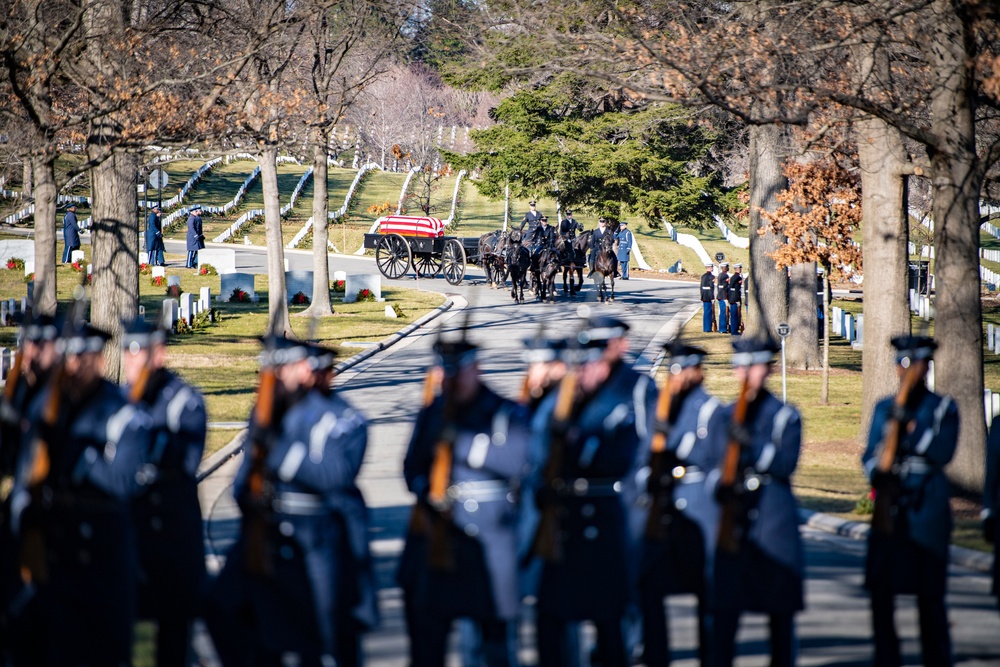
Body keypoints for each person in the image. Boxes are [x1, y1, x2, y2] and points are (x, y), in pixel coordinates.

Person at [205, 335, 375, 667]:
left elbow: (336, 474)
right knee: (222, 606)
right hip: (265, 531)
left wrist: (281, 451)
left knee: (320, 637)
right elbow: (244, 479)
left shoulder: (341, 417)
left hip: (317, 537)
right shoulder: (268, 411)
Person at [9, 321, 149, 666]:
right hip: (58, 549)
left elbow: (122, 481)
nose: (75, 365)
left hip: (103, 550)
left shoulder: (122, 411)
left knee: (104, 649)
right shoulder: (50, 407)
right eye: (70, 356)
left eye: (84, 357)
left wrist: (76, 455)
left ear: (99, 361)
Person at [528, 315, 656, 667]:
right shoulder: (562, 403)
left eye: (591, 362)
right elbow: (538, 451)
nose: (584, 371)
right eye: (579, 364)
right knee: (552, 615)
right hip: (565, 515)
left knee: (612, 610)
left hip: (612, 508)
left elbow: (636, 448)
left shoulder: (634, 388)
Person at [397, 335, 528, 667]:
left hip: (489, 538)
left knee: (496, 646)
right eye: (446, 372)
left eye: (458, 372)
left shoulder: (504, 412)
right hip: (438, 536)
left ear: (476, 370)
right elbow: (411, 466)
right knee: (427, 639)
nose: (451, 381)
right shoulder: (433, 412)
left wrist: (464, 445)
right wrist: (427, 488)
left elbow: (518, 460)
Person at [707, 336, 803, 667]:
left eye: (755, 367)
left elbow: (785, 464)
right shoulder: (723, 415)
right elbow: (711, 463)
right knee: (723, 616)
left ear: (769, 370)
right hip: (733, 522)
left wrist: (754, 446)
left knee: (779, 615)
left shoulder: (785, 416)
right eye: (741, 368)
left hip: (772, 520)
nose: (747, 375)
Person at [862, 336, 957, 667]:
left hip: (927, 510)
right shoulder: (883, 407)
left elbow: (943, 453)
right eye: (903, 364)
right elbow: (870, 456)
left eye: (916, 365)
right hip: (890, 506)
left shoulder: (943, 407)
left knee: (930, 600)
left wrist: (912, 430)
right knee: (881, 597)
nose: (910, 372)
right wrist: (880, 475)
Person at [121, 317, 207, 667]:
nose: (130, 359)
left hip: (171, 540)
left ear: (159, 355)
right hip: (130, 541)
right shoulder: (117, 400)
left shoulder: (184, 403)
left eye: (138, 350)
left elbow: (183, 462)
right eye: (126, 350)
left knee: (172, 643)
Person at [639, 341, 721, 667]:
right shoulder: (660, 407)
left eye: (684, 370)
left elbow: (714, 459)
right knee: (650, 585)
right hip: (663, 507)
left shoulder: (710, 409)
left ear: (697, 372)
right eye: (673, 370)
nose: (677, 377)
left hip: (699, 506)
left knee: (706, 592)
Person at [0, 314, 59, 663]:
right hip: (18, 521)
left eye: (41, 345)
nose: (33, 352)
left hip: (58, 524)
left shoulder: (62, 394)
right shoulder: (20, 392)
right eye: (30, 344)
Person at [185, 204, 204, 269]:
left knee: (195, 251)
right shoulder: (191, 218)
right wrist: (195, 235)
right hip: (192, 236)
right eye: (195, 211)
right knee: (191, 251)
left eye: (196, 211)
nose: (196, 212)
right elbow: (191, 228)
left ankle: (192, 263)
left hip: (195, 236)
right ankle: (188, 264)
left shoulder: (194, 218)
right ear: (192, 212)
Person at [727, 264, 744, 335]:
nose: (740, 269)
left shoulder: (733, 277)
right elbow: (736, 290)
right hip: (735, 298)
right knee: (734, 315)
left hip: (731, 298)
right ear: (737, 269)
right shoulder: (738, 277)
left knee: (733, 315)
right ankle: (734, 331)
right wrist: (737, 299)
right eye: (740, 268)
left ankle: (733, 330)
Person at [700, 263, 716, 332]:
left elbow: (701, 287)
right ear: (709, 267)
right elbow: (711, 288)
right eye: (712, 267)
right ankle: (708, 328)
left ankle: (705, 327)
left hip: (704, 295)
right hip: (708, 296)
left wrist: (702, 295)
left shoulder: (703, 276)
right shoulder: (711, 277)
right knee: (709, 312)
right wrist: (712, 297)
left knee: (705, 312)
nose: (712, 268)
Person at [716, 262, 730, 334]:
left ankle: (721, 328)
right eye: (727, 267)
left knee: (721, 312)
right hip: (723, 296)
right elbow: (726, 287)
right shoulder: (725, 276)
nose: (728, 268)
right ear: (725, 268)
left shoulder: (720, 275)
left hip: (720, 295)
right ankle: (722, 328)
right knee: (723, 312)